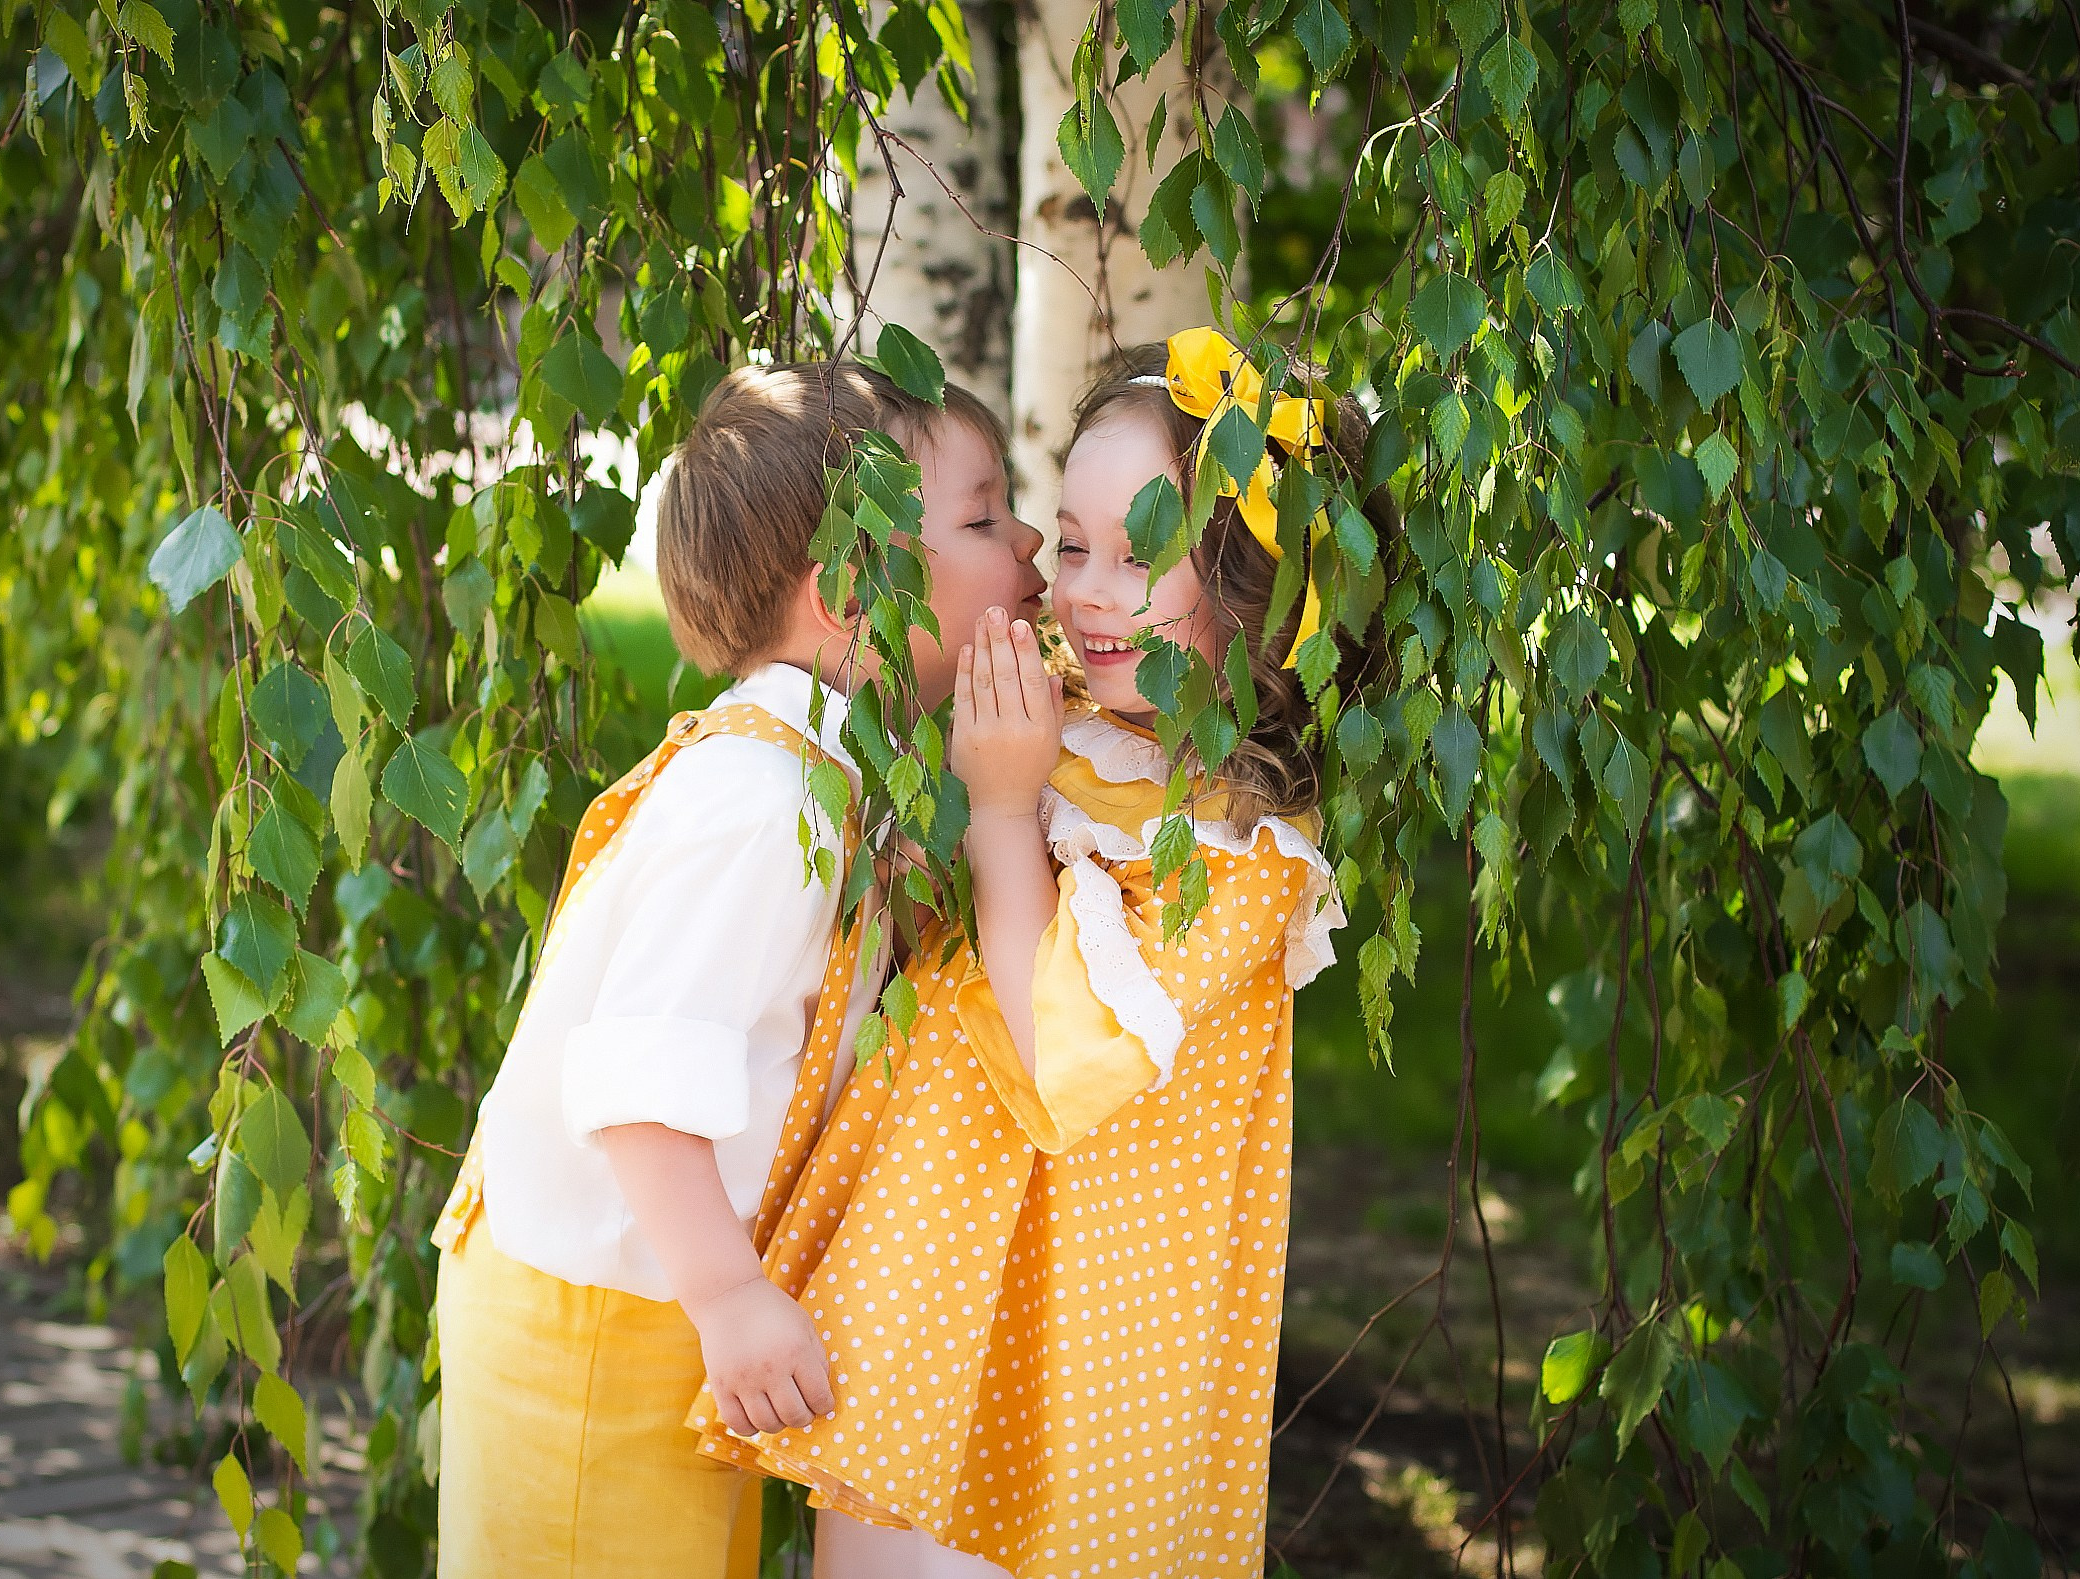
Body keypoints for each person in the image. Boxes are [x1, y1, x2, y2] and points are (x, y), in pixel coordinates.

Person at [699, 328, 1393, 1576]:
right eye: (1069, 545)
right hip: (928, 1273)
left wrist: (1007, 812)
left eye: (1144, 554)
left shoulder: (1239, 856)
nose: (1083, 590)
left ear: (1262, 592)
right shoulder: (1051, 720)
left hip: (1087, 1338)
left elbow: (1062, 1056)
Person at [430, 359, 1045, 1579]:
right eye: (981, 518)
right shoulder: (761, 802)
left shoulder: (817, 778)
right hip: (599, 1314)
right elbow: (633, 1084)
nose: (1026, 538)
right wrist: (730, 1299)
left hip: (654, 1291)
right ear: (849, 596)